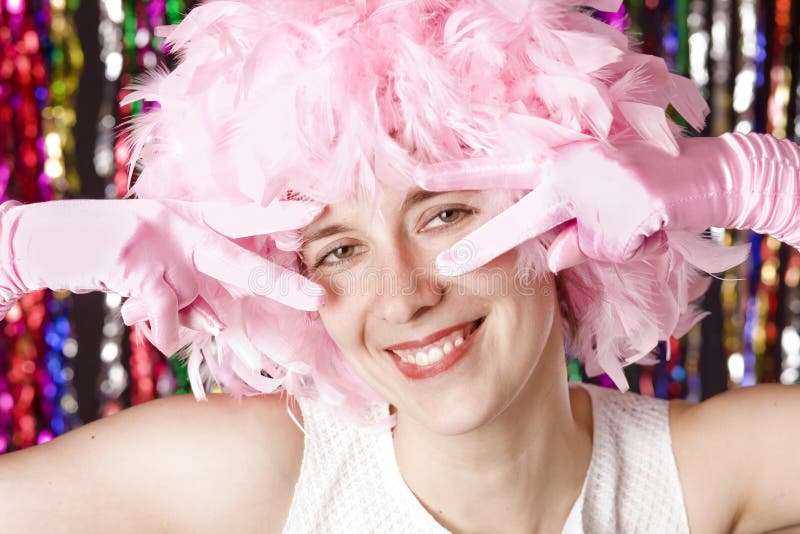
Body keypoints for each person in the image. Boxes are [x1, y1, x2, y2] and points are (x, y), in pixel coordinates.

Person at [1, 0, 800, 532]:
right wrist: (28, 250)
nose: (404, 296)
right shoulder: (260, 477)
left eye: (447, 213)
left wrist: (750, 181)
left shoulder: (701, 474)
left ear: (570, 224)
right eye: (340, 251)